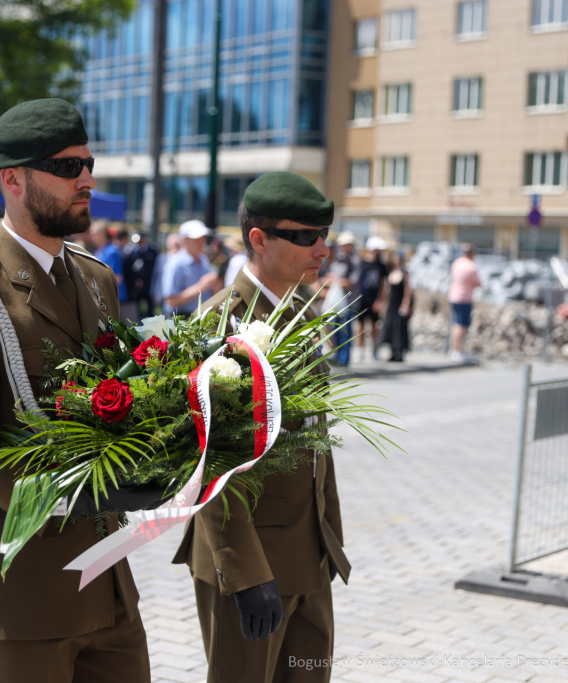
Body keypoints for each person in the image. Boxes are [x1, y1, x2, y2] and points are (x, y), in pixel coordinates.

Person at [0, 98, 156, 683]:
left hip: (102, 579)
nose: (87, 180)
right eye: (67, 167)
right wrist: (71, 494)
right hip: (12, 587)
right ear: (13, 179)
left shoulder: (96, 278)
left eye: (88, 163)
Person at [173, 172, 349, 683]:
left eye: (323, 235)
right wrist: (246, 573)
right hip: (250, 564)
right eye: (306, 236)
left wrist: (328, 538)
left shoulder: (297, 312)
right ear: (259, 239)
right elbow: (208, 463)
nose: (323, 249)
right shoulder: (219, 326)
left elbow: (314, 439)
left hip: (308, 551)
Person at [160, 220, 221, 316]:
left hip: (200, 316)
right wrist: (200, 286)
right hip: (180, 319)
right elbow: (170, 301)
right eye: (197, 238)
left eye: (203, 238)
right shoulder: (175, 263)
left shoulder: (203, 260)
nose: (201, 242)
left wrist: (215, 288)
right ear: (184, 240)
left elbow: (208, 293)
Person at [323, 232, 361, 366]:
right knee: (334, 329)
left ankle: (344, 359)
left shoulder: (355, 261)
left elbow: (351, 282)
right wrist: (336, 281)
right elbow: (326, 278)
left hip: (348, 302)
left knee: (345, 331)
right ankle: (337, 356)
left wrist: (336, 281)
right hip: (335, 302)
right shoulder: (336, 260)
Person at [90, 221, 134, 321]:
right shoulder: (99, 250)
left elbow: (117, 278)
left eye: (94, 233)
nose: (92, 236)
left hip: (110, 298)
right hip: (101, 297)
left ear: (102, 235)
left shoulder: (112, 252)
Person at [376, 250, 412, 362]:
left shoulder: (405, 273)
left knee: (399, 328)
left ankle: (400, 352)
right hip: (391, 305)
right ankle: (392, 351)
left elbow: (407, 290)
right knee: (389, 327)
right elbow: (386, 290)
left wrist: (406, 304)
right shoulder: (389, 272)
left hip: (400, 304)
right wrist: (381, 302)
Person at [448, 242, 481, 364]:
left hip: (453, 296)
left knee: (456, 324)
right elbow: (478, 282)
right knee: (461, 325)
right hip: (464, 298)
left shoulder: (457, 263)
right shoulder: (471, 266)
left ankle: (453, 349)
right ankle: (458, 351)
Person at [359, 236, 388, 360]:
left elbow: (383, 285)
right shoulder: (362, 263)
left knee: (374, 326)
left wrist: (380, 301)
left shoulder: (381, 266)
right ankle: (360, 349)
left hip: (374, 300)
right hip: (361, 299)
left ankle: (374, 350)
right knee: (361, 325)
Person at [123, 232, 159, 319]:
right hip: (137, 286)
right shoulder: (132, 252)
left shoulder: (153, 251)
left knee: (150, 308)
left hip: (150, 284)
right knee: (137, 309)